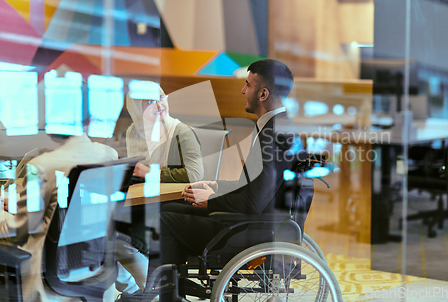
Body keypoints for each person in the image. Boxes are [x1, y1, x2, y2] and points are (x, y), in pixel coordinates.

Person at [158, 59, 301, 301]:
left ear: (263, 93)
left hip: (250, 232)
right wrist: (217, 186)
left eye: (248, 85)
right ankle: (175, 287)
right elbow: (257, 188)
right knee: (170, 206)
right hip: (259, 223)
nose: (243, 90)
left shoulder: (272, 135)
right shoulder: (277, 128)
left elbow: (253, 202)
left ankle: (171, 293)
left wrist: (210, 201)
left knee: (164, 219)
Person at [0, 93, 118, 301]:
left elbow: (21, 230)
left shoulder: (42, 165)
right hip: (92, 260)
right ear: (88, 120)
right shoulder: (108, 155)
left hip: (49, 269)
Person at [115, 82, 204, 297]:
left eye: (161, 97)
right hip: (143, 202)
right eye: (149, 102)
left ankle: (153, 288)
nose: (159, 105)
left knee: (120, 237)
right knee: (103, 231)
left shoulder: (181, 131)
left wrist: (151, 173)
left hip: (173, 205)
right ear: (136, 108)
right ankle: (136, 290)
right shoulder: (132, 132)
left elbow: (194, 175)